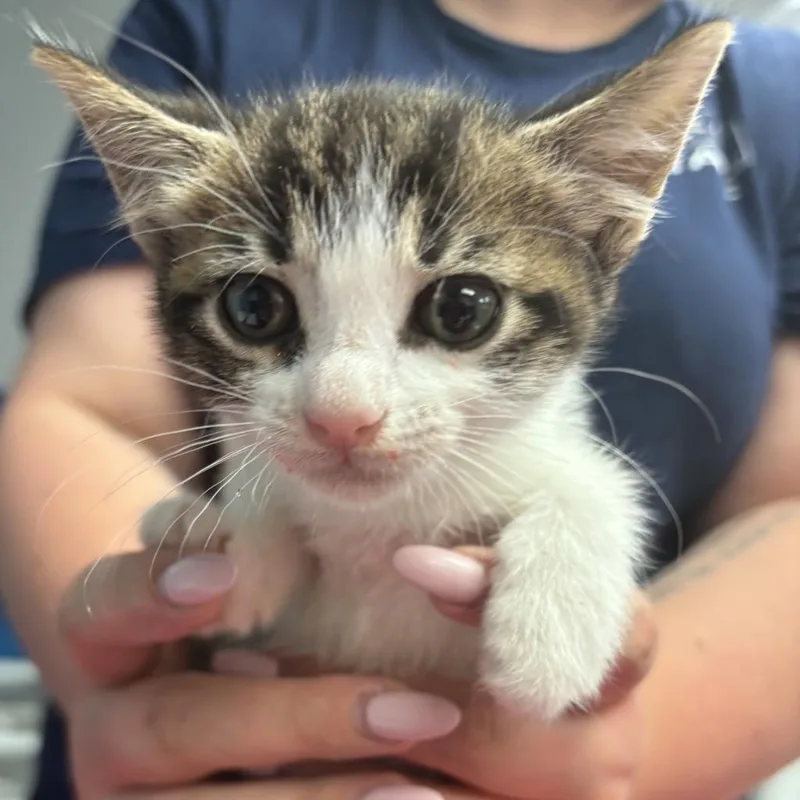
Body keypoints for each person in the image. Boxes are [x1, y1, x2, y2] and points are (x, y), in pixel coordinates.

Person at [1, 0, 799, 798]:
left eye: (458, 310)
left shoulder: (774, 90)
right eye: (258, 308)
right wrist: (131, 681)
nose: (341, 408)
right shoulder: (210, 15)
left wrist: (634, 755)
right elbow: (83, 407)